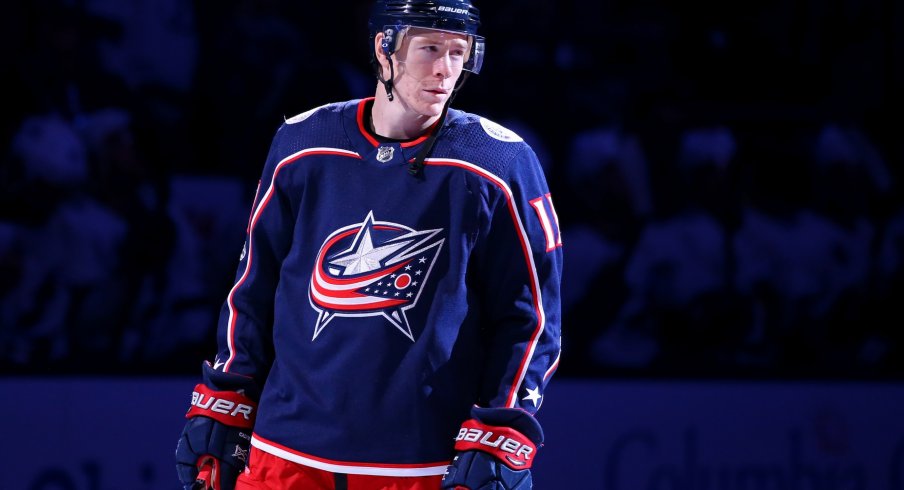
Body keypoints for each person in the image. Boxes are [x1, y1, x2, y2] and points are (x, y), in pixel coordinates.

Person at [175, 1, 563, 489]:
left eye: (458, 52)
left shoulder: (499, 162)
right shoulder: (303, 142)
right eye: (429, 49)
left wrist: (501, 430)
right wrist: (227, 399)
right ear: (385, 49)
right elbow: (253, 287)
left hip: (420, 465)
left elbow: (532, 319)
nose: (445, 69)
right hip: (284, 455)